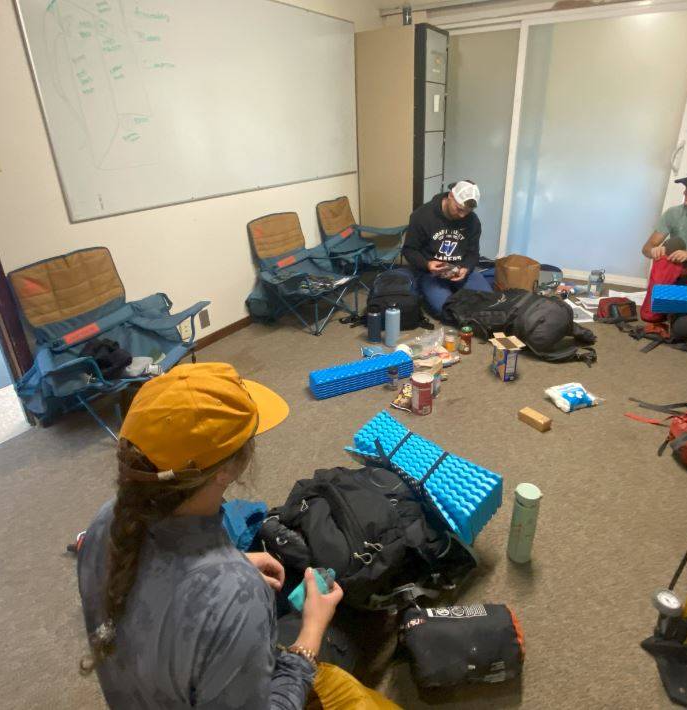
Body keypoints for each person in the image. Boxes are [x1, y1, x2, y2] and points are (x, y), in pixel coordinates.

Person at [77, 362, 343, 709]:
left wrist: (231, 567)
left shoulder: (105, 520)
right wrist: (309, 638)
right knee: (342, 649)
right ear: (228, 469)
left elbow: (155, 580)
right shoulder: (236, 598)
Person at [403, 179, 493, 314]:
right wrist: (426, 264)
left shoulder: (473, 221)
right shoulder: (421, 216)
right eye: (459, 209)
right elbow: (409, 250)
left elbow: (473, 253)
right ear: (450, 196)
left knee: (490, 303)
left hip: (459, 269)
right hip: (431, 273)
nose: (463, 215)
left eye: (467, 211)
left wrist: (466, 268)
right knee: (446, 309)